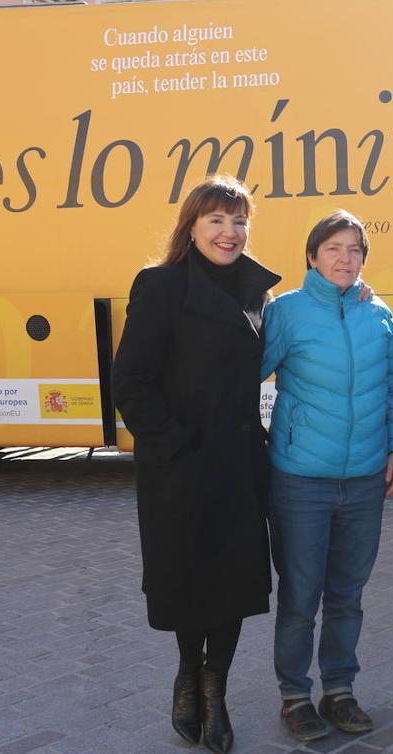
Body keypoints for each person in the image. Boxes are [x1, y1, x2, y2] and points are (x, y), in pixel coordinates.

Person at [112, 175, 278, 754]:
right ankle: (188, 674)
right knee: (188, 581)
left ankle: (217, 688)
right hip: (179, 468)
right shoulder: (160, 285)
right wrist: (172, 443)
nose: (230, 233)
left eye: (239, 222)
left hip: (237, 466)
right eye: (217, 221)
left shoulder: (259, 291)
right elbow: (130, 381)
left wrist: (354, 293)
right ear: (192, 226)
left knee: (233, 583)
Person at [260, 210, 393, 742]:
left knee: (348, 595)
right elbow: (241, 375)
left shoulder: (379, 315)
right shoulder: (288, 314)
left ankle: (339, 690)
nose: (346, 259)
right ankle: (295, 696)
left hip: (366, 481)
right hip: (300, 481)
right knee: (300, 596)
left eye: (355, 250)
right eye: (334, 249)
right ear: (312, 257)